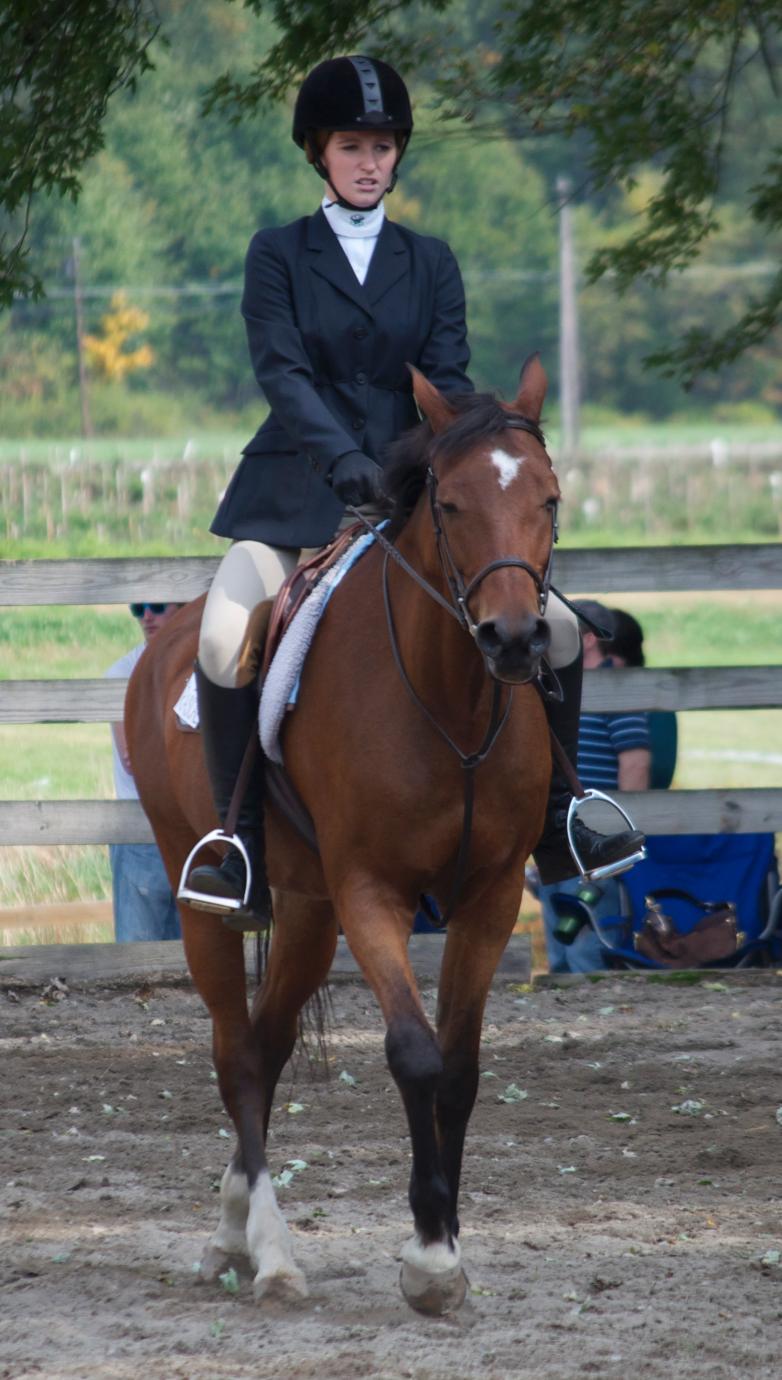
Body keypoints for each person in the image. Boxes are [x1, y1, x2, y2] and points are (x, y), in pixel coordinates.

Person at [182, 54, 644, 931]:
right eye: (351, 145)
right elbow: (282, 374)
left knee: (556, 628)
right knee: (217, 635)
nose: (368, 161)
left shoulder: (430, 261)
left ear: (399, 158)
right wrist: (341, 462)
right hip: (292, 498)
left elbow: (449, 381)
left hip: (410, 501)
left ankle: (558, 821)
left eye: (382, 147)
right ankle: (236, 847)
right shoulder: (277, 254)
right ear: (319, 153)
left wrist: (435, 460)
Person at [536, 600, 652, 973]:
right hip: (559, 834)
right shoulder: (555, 689)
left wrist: (616, 835)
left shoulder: (614, 690)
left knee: (588, 939)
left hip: (595, 837)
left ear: (585, 639)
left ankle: (588, 995)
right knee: (559, 931)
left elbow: (635, 761)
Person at [106, 602, 183, 943]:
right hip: (142, 826)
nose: (146, 617)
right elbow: (132, 757)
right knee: (138, 956)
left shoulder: (199, 666)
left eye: (156, 606)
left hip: (191, 828)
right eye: (138, 608)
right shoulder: (123, 672)